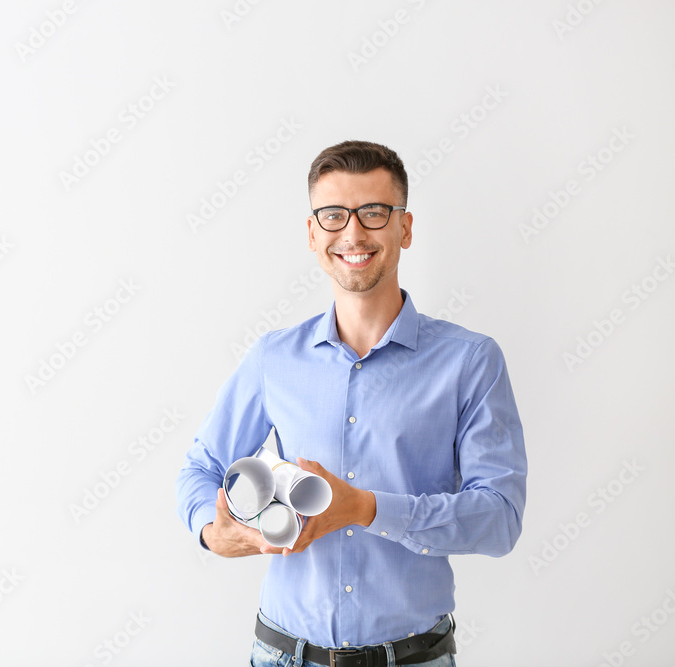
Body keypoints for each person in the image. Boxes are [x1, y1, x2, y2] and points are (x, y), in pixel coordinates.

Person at [175, 140, 527, 667]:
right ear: (313, 235)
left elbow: (499, 519)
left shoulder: (471, 361)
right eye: (334, 216)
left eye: (374, 212)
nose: (354, 233)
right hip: (281, 655)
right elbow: (201, 468)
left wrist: (366, 509)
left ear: (404, 228)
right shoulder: (273, 359)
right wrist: (214, 530)